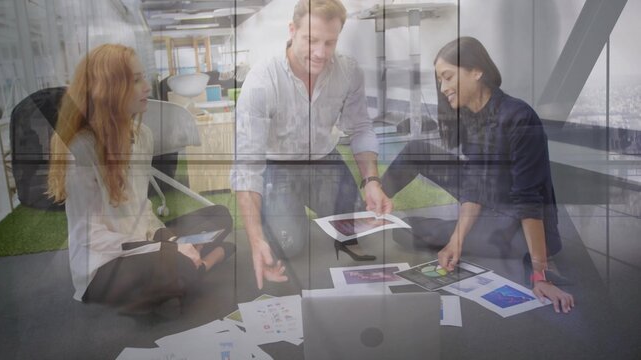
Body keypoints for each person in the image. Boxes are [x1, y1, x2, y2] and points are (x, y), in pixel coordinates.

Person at [381, 37, 575, 314]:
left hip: (517, 224)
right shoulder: (470, 116)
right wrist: (457, 241)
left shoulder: (519, 117)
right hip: (492, 204)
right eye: (439, 81)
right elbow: (474, 185)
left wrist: (539, 275)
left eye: (448, 77)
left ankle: (520, 253)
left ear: (476, 70)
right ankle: (375, 205)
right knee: (417, 157)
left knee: (411, 232)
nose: (443, 87)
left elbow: (529, 200)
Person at [47, 44, 234, 313]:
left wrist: (166, 238)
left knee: (219, 217)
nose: (147, 87)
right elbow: (90, 237)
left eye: (143, 77)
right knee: (178, 265)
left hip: (143, 242)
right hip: (103, 265)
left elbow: (141, 208)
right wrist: (164, 249)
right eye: (136, 80)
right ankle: (200, 265)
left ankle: (185, 272)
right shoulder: (80, 150)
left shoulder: (142, 136)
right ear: (109, 90)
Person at [232, 0, 393, 289]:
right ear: (292, 30)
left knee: (355, 230)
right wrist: (255, 239)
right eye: (311, 40)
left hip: (323, 158)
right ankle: (282, 221)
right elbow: (246, 166)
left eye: (330, 42)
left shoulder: (348, 72)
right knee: (288, 245)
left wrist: (371, 180)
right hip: (277, 164)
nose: (320, 53)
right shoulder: (260, 82)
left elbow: (360, 128)